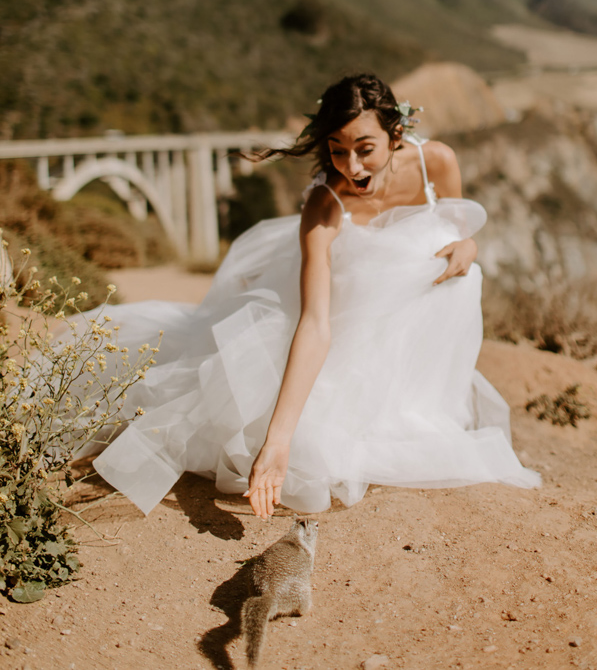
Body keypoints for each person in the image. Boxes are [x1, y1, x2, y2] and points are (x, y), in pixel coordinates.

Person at [89, 73, 539, 519]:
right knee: (314, 436)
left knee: (464, 275)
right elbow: (316, 323)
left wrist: (469, 246)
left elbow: (459, 229)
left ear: (395, 135)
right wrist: (278, 441)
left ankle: (420, 396)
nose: (352, 167)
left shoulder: (436, 161)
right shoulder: (324, 205)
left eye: (365, 149)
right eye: (337, 151)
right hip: (345, 319)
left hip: (411, 324)